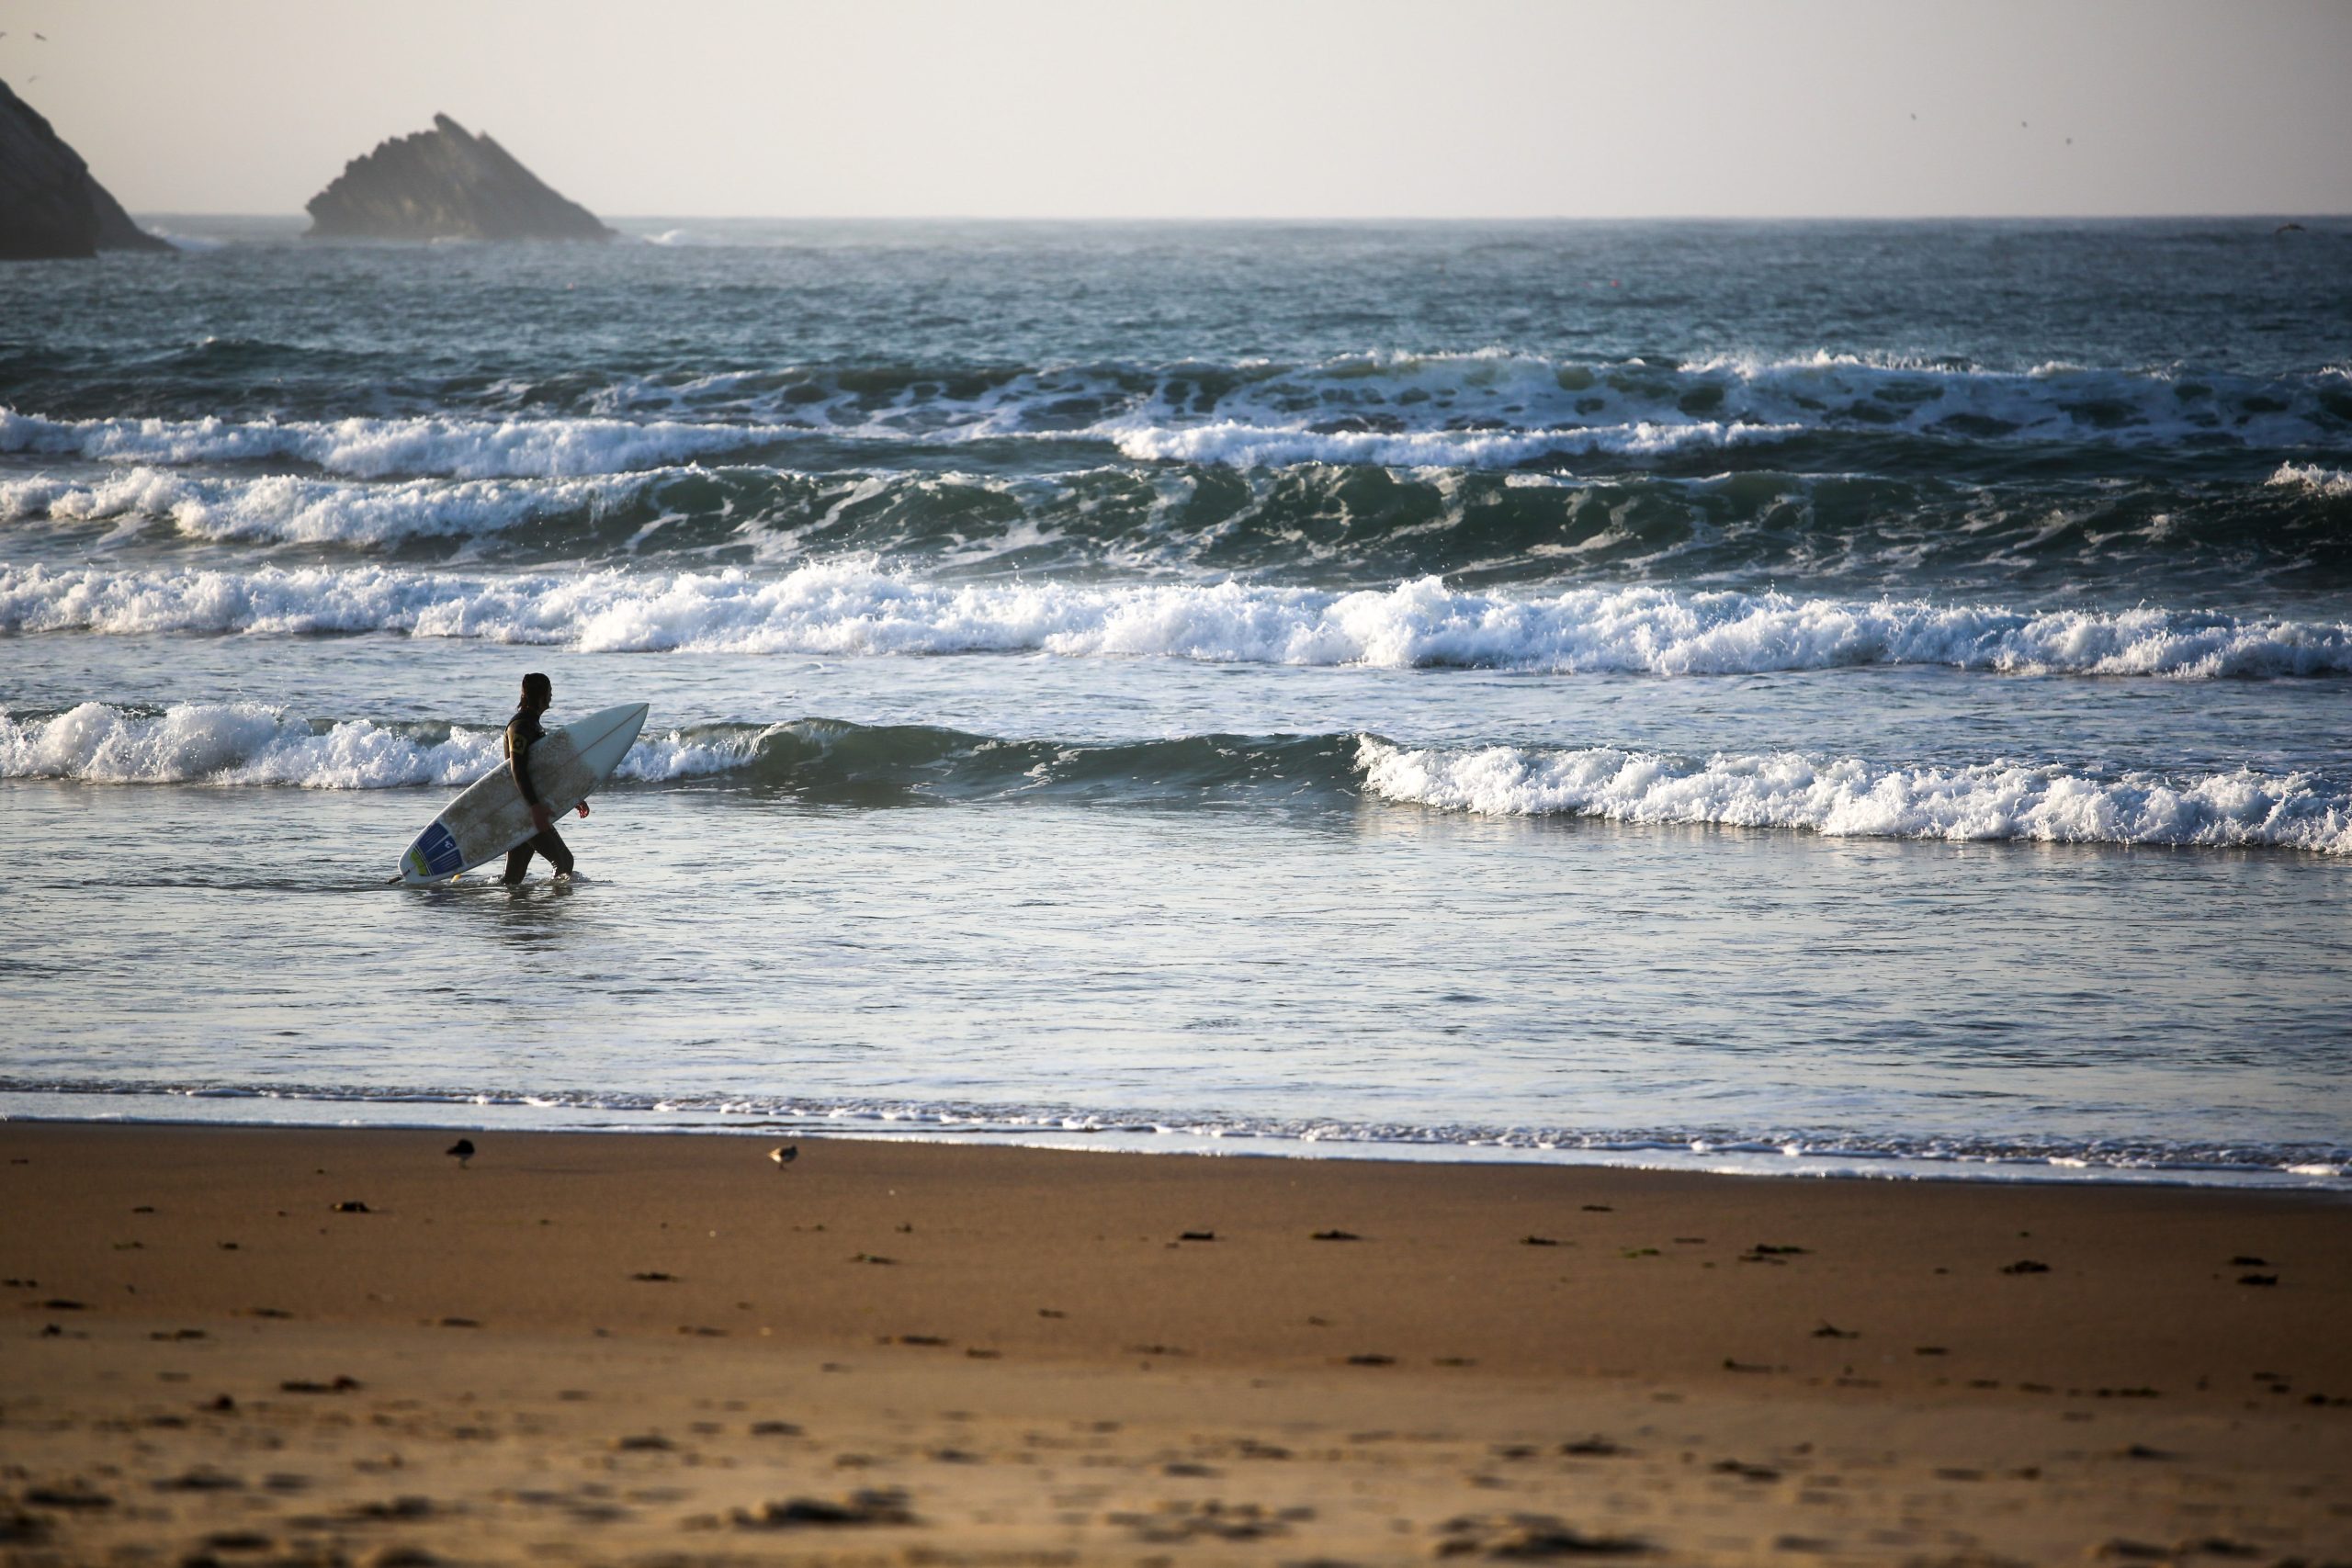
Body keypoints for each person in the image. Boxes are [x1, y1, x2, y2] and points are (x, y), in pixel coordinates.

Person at [503, 672, 589, 886]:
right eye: (549, 691)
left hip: (527, 808)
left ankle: (515, 915)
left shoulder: (532, 724)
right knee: (564, 862)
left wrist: (571, 796)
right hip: (526, 810)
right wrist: (534, 808)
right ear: (541, 696)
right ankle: (551, 913)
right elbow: (518, 769)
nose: (552, 696)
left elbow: (541, 771)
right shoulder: (520, 727)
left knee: (513, 878)